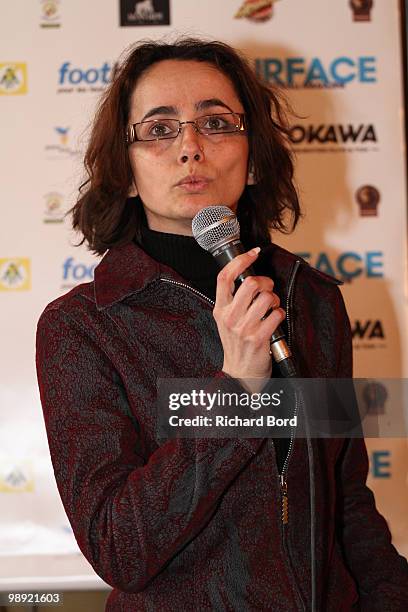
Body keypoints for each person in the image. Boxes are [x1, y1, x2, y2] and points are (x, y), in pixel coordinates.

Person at [36, 38, 408, 611]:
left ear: (253, 156)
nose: (190, 147)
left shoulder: (312, 301)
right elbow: (120, 547)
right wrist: (234, 390)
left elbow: (347, 499)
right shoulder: (84, 326)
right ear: (127, 172)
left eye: (215, 122)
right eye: (160, 130)